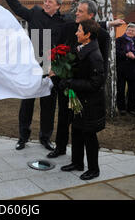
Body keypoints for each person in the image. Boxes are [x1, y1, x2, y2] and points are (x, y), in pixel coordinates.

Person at [2, 0, 70, 151]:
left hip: (51, 67)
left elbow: (83, 24)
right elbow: (17, 8)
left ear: (58, 6)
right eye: (45, 1)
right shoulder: (35, 13)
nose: (46, 3)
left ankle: (45, 138)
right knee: (27, 103)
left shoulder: (63, 21)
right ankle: (23, 137)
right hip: (31, 65)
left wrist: (107, 23)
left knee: (48, 105)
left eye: (50, 2)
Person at [47, 0, 111, 158]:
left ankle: (79, 158)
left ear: (91, 15)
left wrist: (94, 86)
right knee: (63, 118)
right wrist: (58, 72)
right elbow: (58, 50)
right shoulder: (69, 28)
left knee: (81, 125)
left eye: (80, 11)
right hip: (66, 84)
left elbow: (101, 64)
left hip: (83, 89)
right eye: (77, 10)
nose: (76, 13)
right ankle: (60, 148)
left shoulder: (102, 36)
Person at [55, 19, 106, 181]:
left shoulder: (95, 56)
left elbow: (96, 83)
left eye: (79, 30)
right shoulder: (82, 49)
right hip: (79, 100)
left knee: (89, 135)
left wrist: (71, 82)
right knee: (76, 131)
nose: (76, 33)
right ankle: (77, 163)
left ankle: (93, 169)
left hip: (90, 103)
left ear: (88, 35)